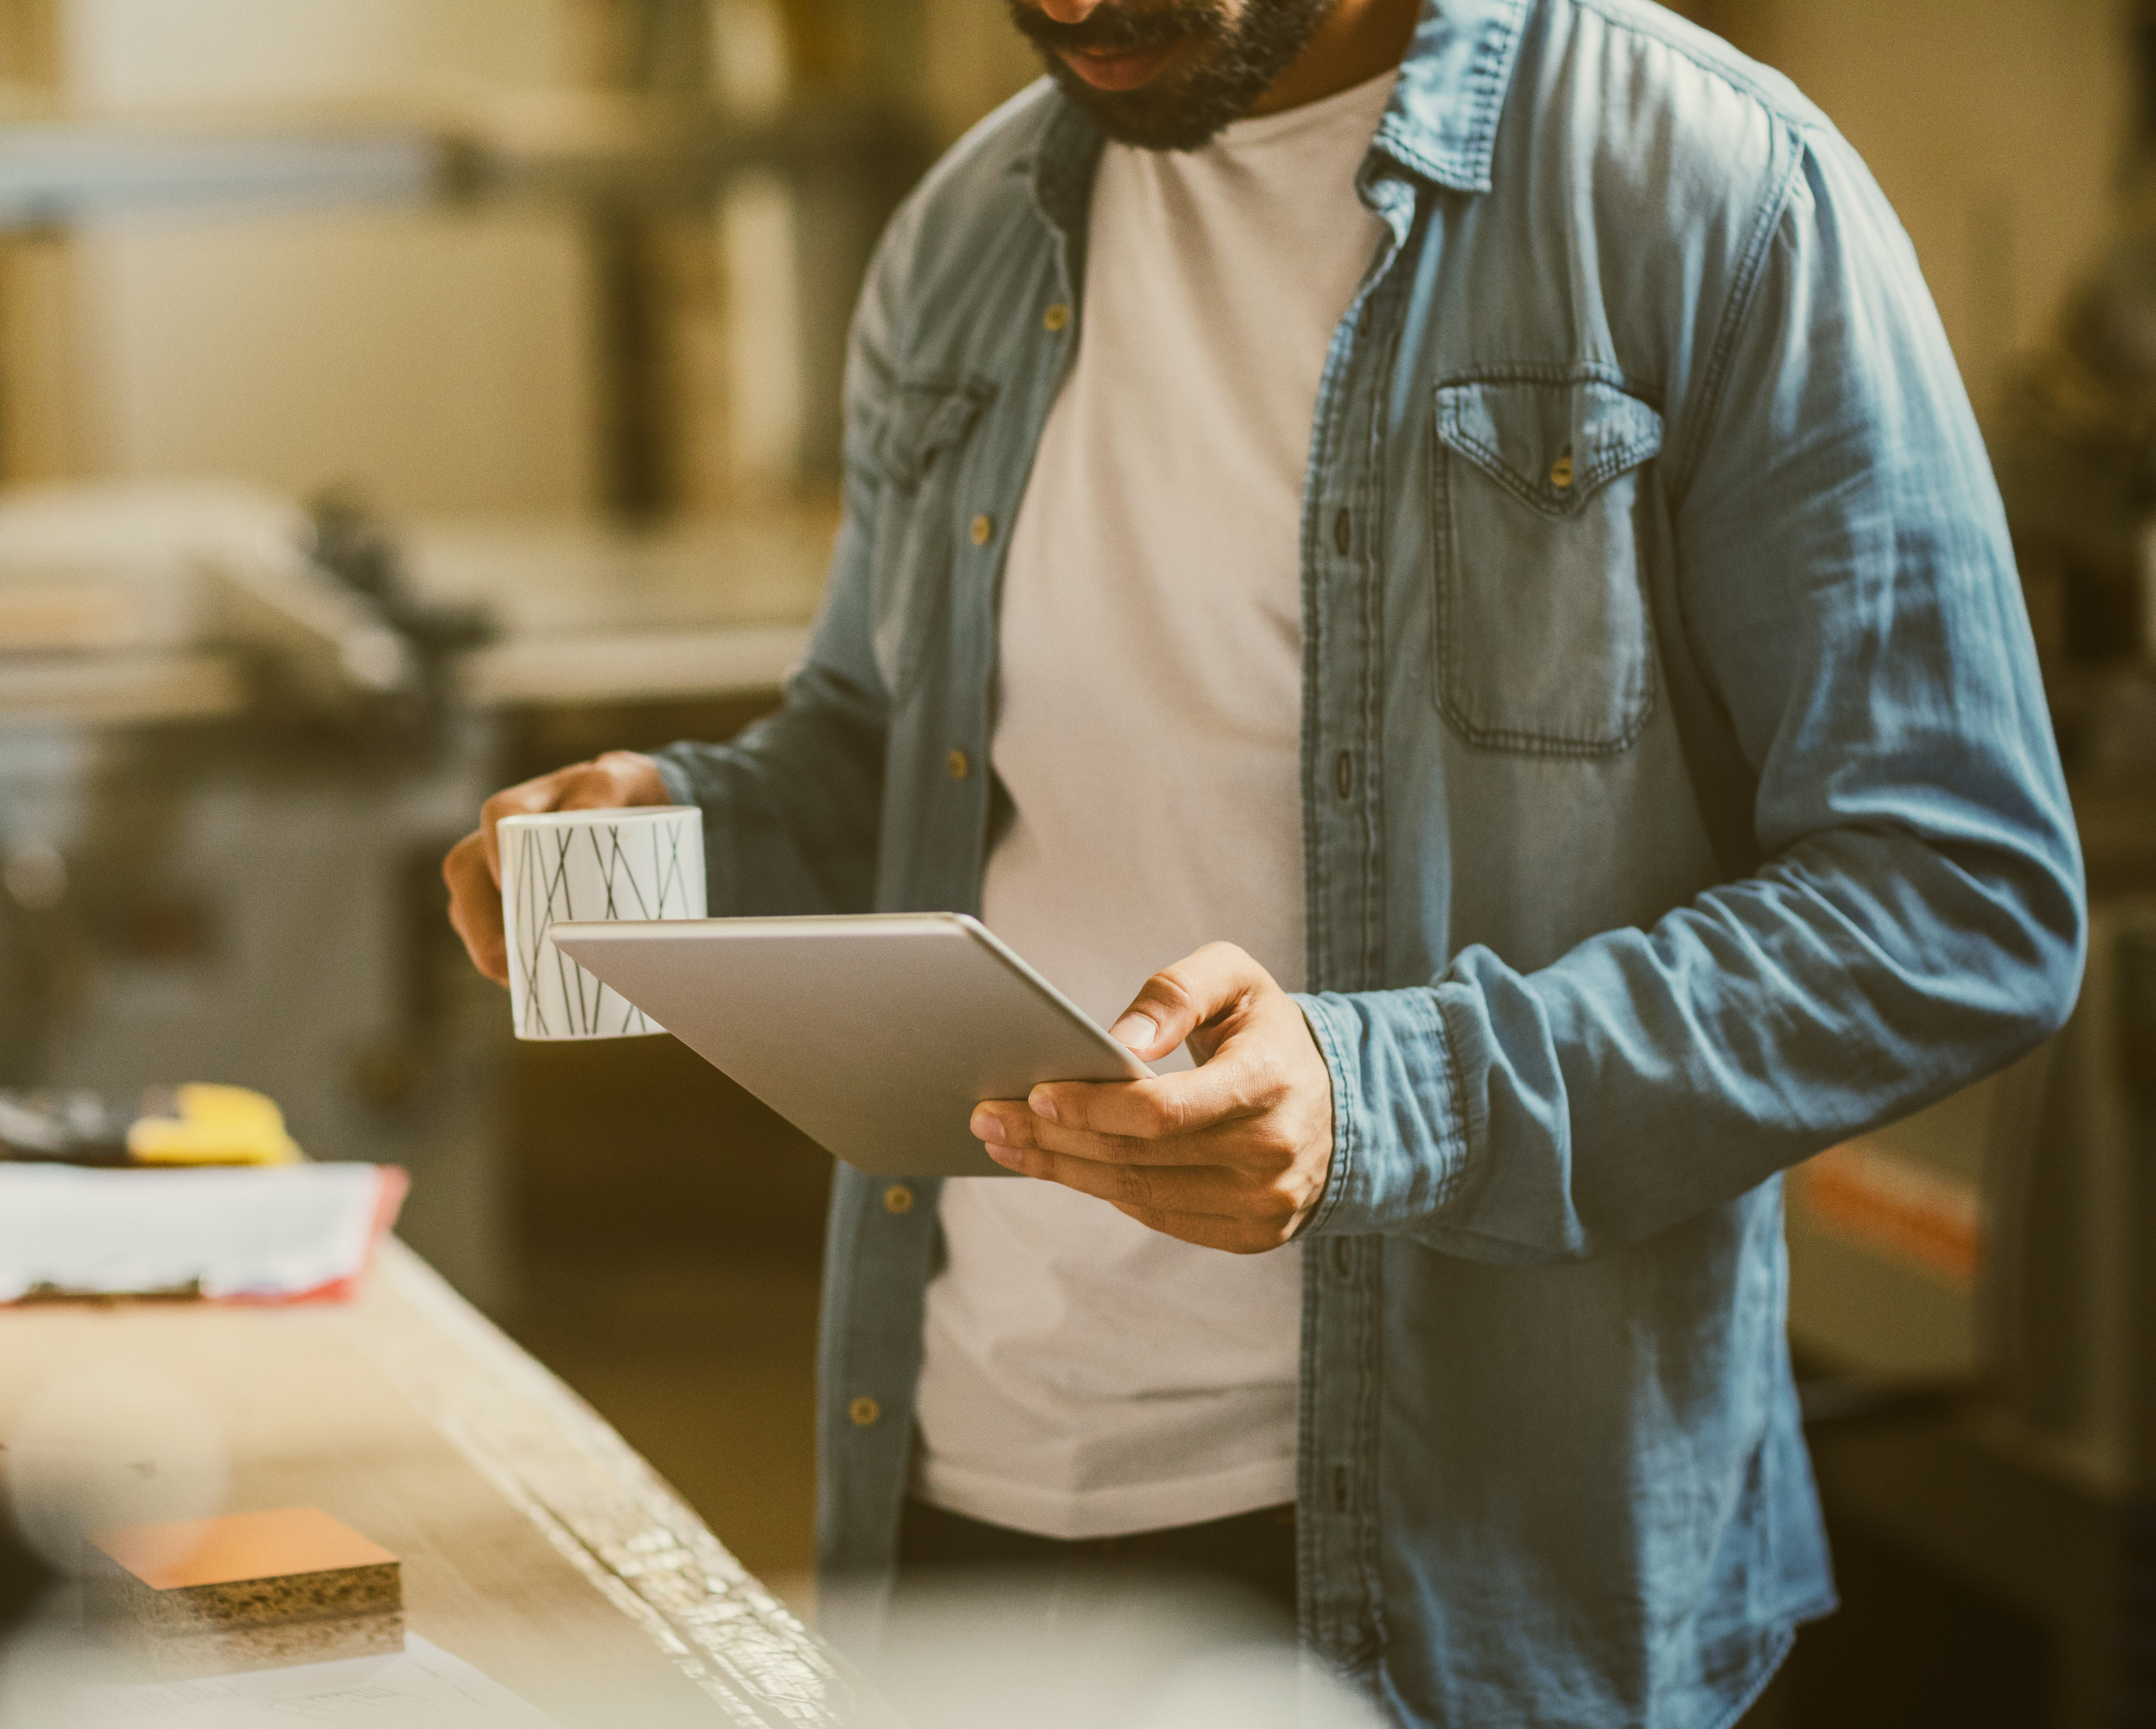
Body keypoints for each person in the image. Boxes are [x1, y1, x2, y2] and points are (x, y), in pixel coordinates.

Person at [445, 0, 2087, 1721]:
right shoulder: (967, 230)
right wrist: (678, 830)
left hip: (1444, 1576)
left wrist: (1386, 1093)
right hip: (957, 1490)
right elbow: (889, 755)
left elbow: (1957, 896)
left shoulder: (1711, 192)